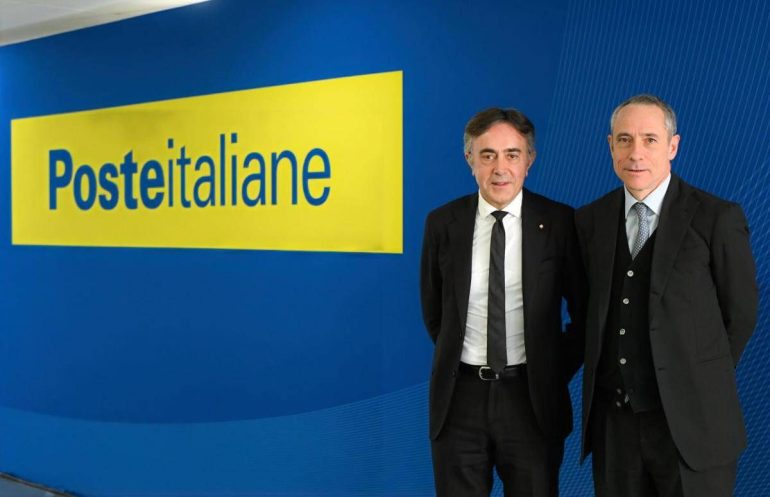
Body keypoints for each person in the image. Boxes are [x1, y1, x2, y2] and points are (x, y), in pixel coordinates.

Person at [576, 94, 759, 497]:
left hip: (695, 429)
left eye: (650, 139)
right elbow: (587, 313)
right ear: (610, 146)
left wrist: (696, 377)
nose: (636, 153)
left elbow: (741, 313)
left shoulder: (717, 217)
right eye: (624, 140)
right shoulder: (589, 221)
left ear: (673, 146)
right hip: (616, 429)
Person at [420, 107, 586, 497]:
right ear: (470, 159)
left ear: (529, 159)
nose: (500, 168)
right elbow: (435, 311)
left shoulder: (560, 223)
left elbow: (584, 315)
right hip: (459, 400)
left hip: (532, 400)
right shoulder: (442, 224)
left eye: (512, 154)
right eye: (487, 155)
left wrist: (547, 369)